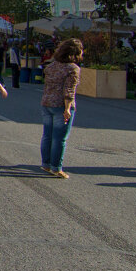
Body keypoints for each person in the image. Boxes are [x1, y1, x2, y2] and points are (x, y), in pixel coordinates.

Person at [40, 38, 81, 178]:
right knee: (59, 138)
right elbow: (69, 90)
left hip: (46, 102)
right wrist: (68, 108)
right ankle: (56, 168)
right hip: (60, 105)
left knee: (47, 135)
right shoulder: (72, 68)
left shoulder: (51, 66)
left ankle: (46, 164)